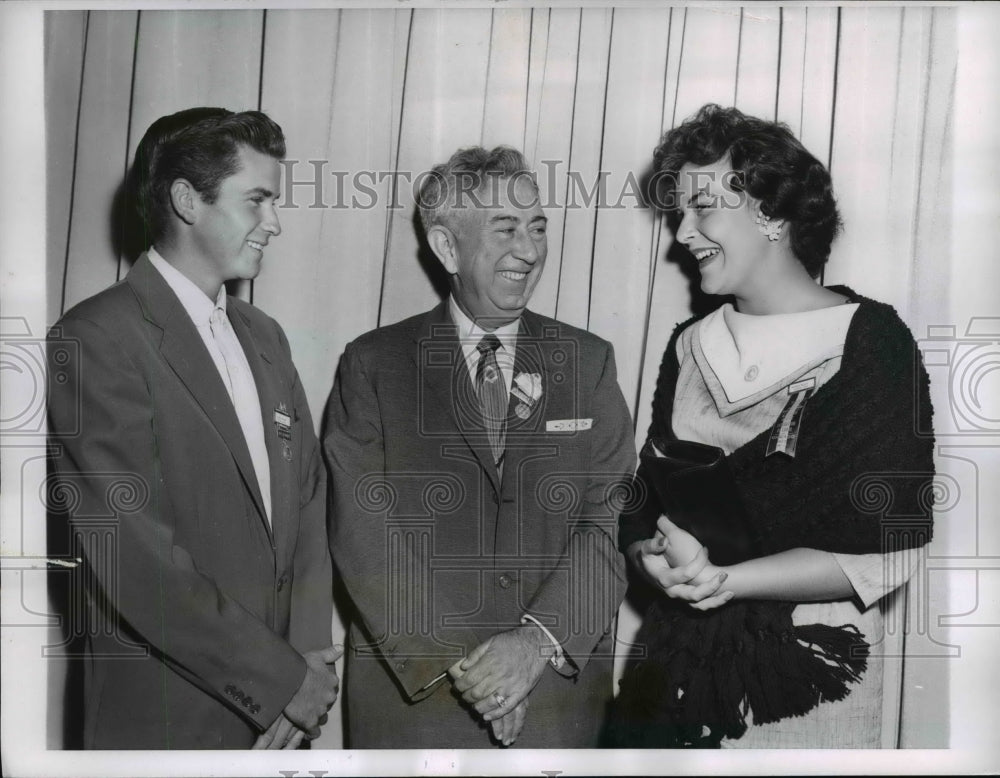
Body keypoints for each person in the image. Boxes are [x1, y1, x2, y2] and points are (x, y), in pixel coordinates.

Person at [610, 104, 935, 748]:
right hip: (674, 665)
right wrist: (649, 558)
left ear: (772, 212)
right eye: (679, 214)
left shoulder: (870, 342)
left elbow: (889, 545)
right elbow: (647, 499)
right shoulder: (689, 344)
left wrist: (725, 581)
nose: (683, 235)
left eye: (702, 210)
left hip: (803, 683)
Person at [323, 146, 636, 748]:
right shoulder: (373, 363)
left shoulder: (590, 362)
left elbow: (612, 518)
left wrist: (533, 645)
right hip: (418, 700)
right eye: (506, 229)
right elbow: (361, 529)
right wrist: (470, 672)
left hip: (555, 699)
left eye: (538, 228)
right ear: (446, 248)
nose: (530, 249)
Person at [47, 107, 339, 749]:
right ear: (186, 200)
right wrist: (280, 680)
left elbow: (310, 505)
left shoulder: (265, 337)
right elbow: (132, 557)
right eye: (257, 200)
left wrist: (309, 659)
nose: (276, 223)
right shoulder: (95, 337)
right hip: (169, 719)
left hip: (287, 716)